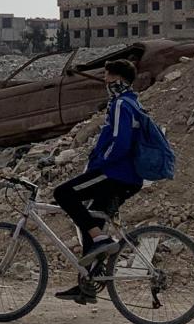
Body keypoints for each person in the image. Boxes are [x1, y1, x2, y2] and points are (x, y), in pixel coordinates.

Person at [53, 58, 144, 303]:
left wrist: (99, 164)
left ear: (118, 79)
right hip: (127, 176)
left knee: (63, 194)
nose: (104, 80)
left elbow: (119, 142)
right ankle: (88, 284)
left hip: (115, 173)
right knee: (90, 221)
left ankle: (101, 240)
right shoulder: (133, 103)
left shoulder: (121, 105)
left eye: (107, 76)